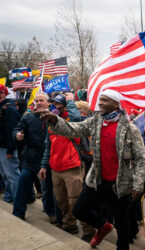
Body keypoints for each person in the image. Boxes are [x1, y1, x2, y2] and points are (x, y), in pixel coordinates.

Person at [38, 89, 145, 250]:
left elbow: (140, 158)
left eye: (105, 100)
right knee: (79, 210)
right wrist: (55, 120)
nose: (100, 103)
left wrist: (138, 184)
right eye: (100, 100)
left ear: (116, 104)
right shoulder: (95, 121)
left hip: (120, 184)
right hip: (97, 180)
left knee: (122, 224)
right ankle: (103, 226)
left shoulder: (129, 128)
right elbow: (73, 129)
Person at [38, 93, 94, 240]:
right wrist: (44, 165)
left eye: (58, 104)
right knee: (62, 201)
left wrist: (70, 102)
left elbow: (76, 120)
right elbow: (47, 146)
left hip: (72, 167)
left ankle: (88, 230)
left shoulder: (72, 121)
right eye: (53, 103)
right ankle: (69, 224)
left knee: (76, 200)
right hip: (56, 167)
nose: (55, 106)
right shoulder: (51, 123)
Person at [12, 93, 50, 220]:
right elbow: (16, 130)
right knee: (23, 182)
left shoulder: (54, 118)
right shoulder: (28, 117)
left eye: (42, 100)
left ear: (48, 103)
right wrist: (17, 135)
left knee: (48, 189)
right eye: (37, 100)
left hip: (48, 159)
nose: (39, 103)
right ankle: (18, 213)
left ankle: (51, 213)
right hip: (30, 158)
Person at [0, 85, 21, 203]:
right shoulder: (2, 108)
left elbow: (13, 131)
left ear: (2, 94)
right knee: (5, 174)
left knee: (13, 175)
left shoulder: (10, 110)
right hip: (1, 147)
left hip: (6, 148)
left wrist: (10, 150)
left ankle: (18, 200)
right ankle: (9, 196)